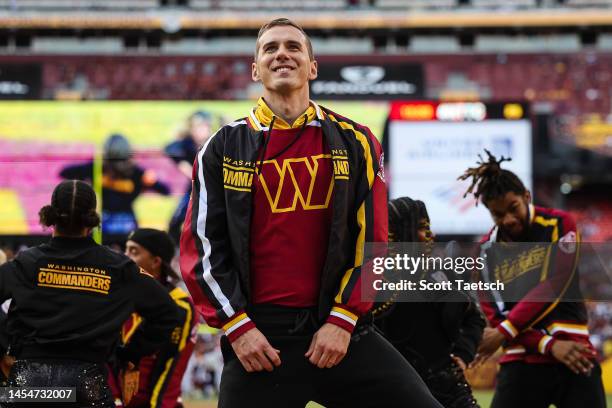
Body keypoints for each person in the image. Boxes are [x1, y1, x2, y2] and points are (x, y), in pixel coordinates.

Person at [180, 17, 443, 408]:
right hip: (260, 341)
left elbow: (372, 240)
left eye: (293, 47)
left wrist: (342, 319)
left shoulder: (356, 140)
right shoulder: (222, 147)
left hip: (341, 330)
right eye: (269, 48)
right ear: (255, 70)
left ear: (312, 66)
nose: (281, 53)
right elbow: (201, 250)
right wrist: (237, 328)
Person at [0, 180, 179, 407]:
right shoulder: (119, 268)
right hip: (86, 382)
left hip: (29, 382)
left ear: (51, 216)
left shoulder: (26, 263)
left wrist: (5, 346)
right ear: (92, 219)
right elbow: (167, 312)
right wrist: (130, 356)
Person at [459, 151, 606, 408]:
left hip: (574, 351)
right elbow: (495, 317)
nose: (508, 219)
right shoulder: (485, 251)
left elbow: (556, 282)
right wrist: (549, 345)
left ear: (527, 196)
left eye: (513, 208)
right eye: (498, 214)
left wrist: (505, 331)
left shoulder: (559, 223)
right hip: (523, 359)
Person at [374, 197, 485, 408]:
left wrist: (463, 354)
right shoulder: (373, 280)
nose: (431, 235)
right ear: (400, 233)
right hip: (391, 392)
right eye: (423, 228)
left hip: (446, 389)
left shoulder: (442, 274)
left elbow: (474, 319)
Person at [109, 228, 197, 408]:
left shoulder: (180, 306)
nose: (125, 257)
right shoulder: (115, 296)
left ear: (156, 261)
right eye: (125, 250)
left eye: (134, 251)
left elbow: (170, 371)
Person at [60, 133, 171, 247]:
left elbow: (165, 190)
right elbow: (165, 189)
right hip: (121, 225)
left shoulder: (99, 168)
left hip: (111, 223)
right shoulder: (133, 171)